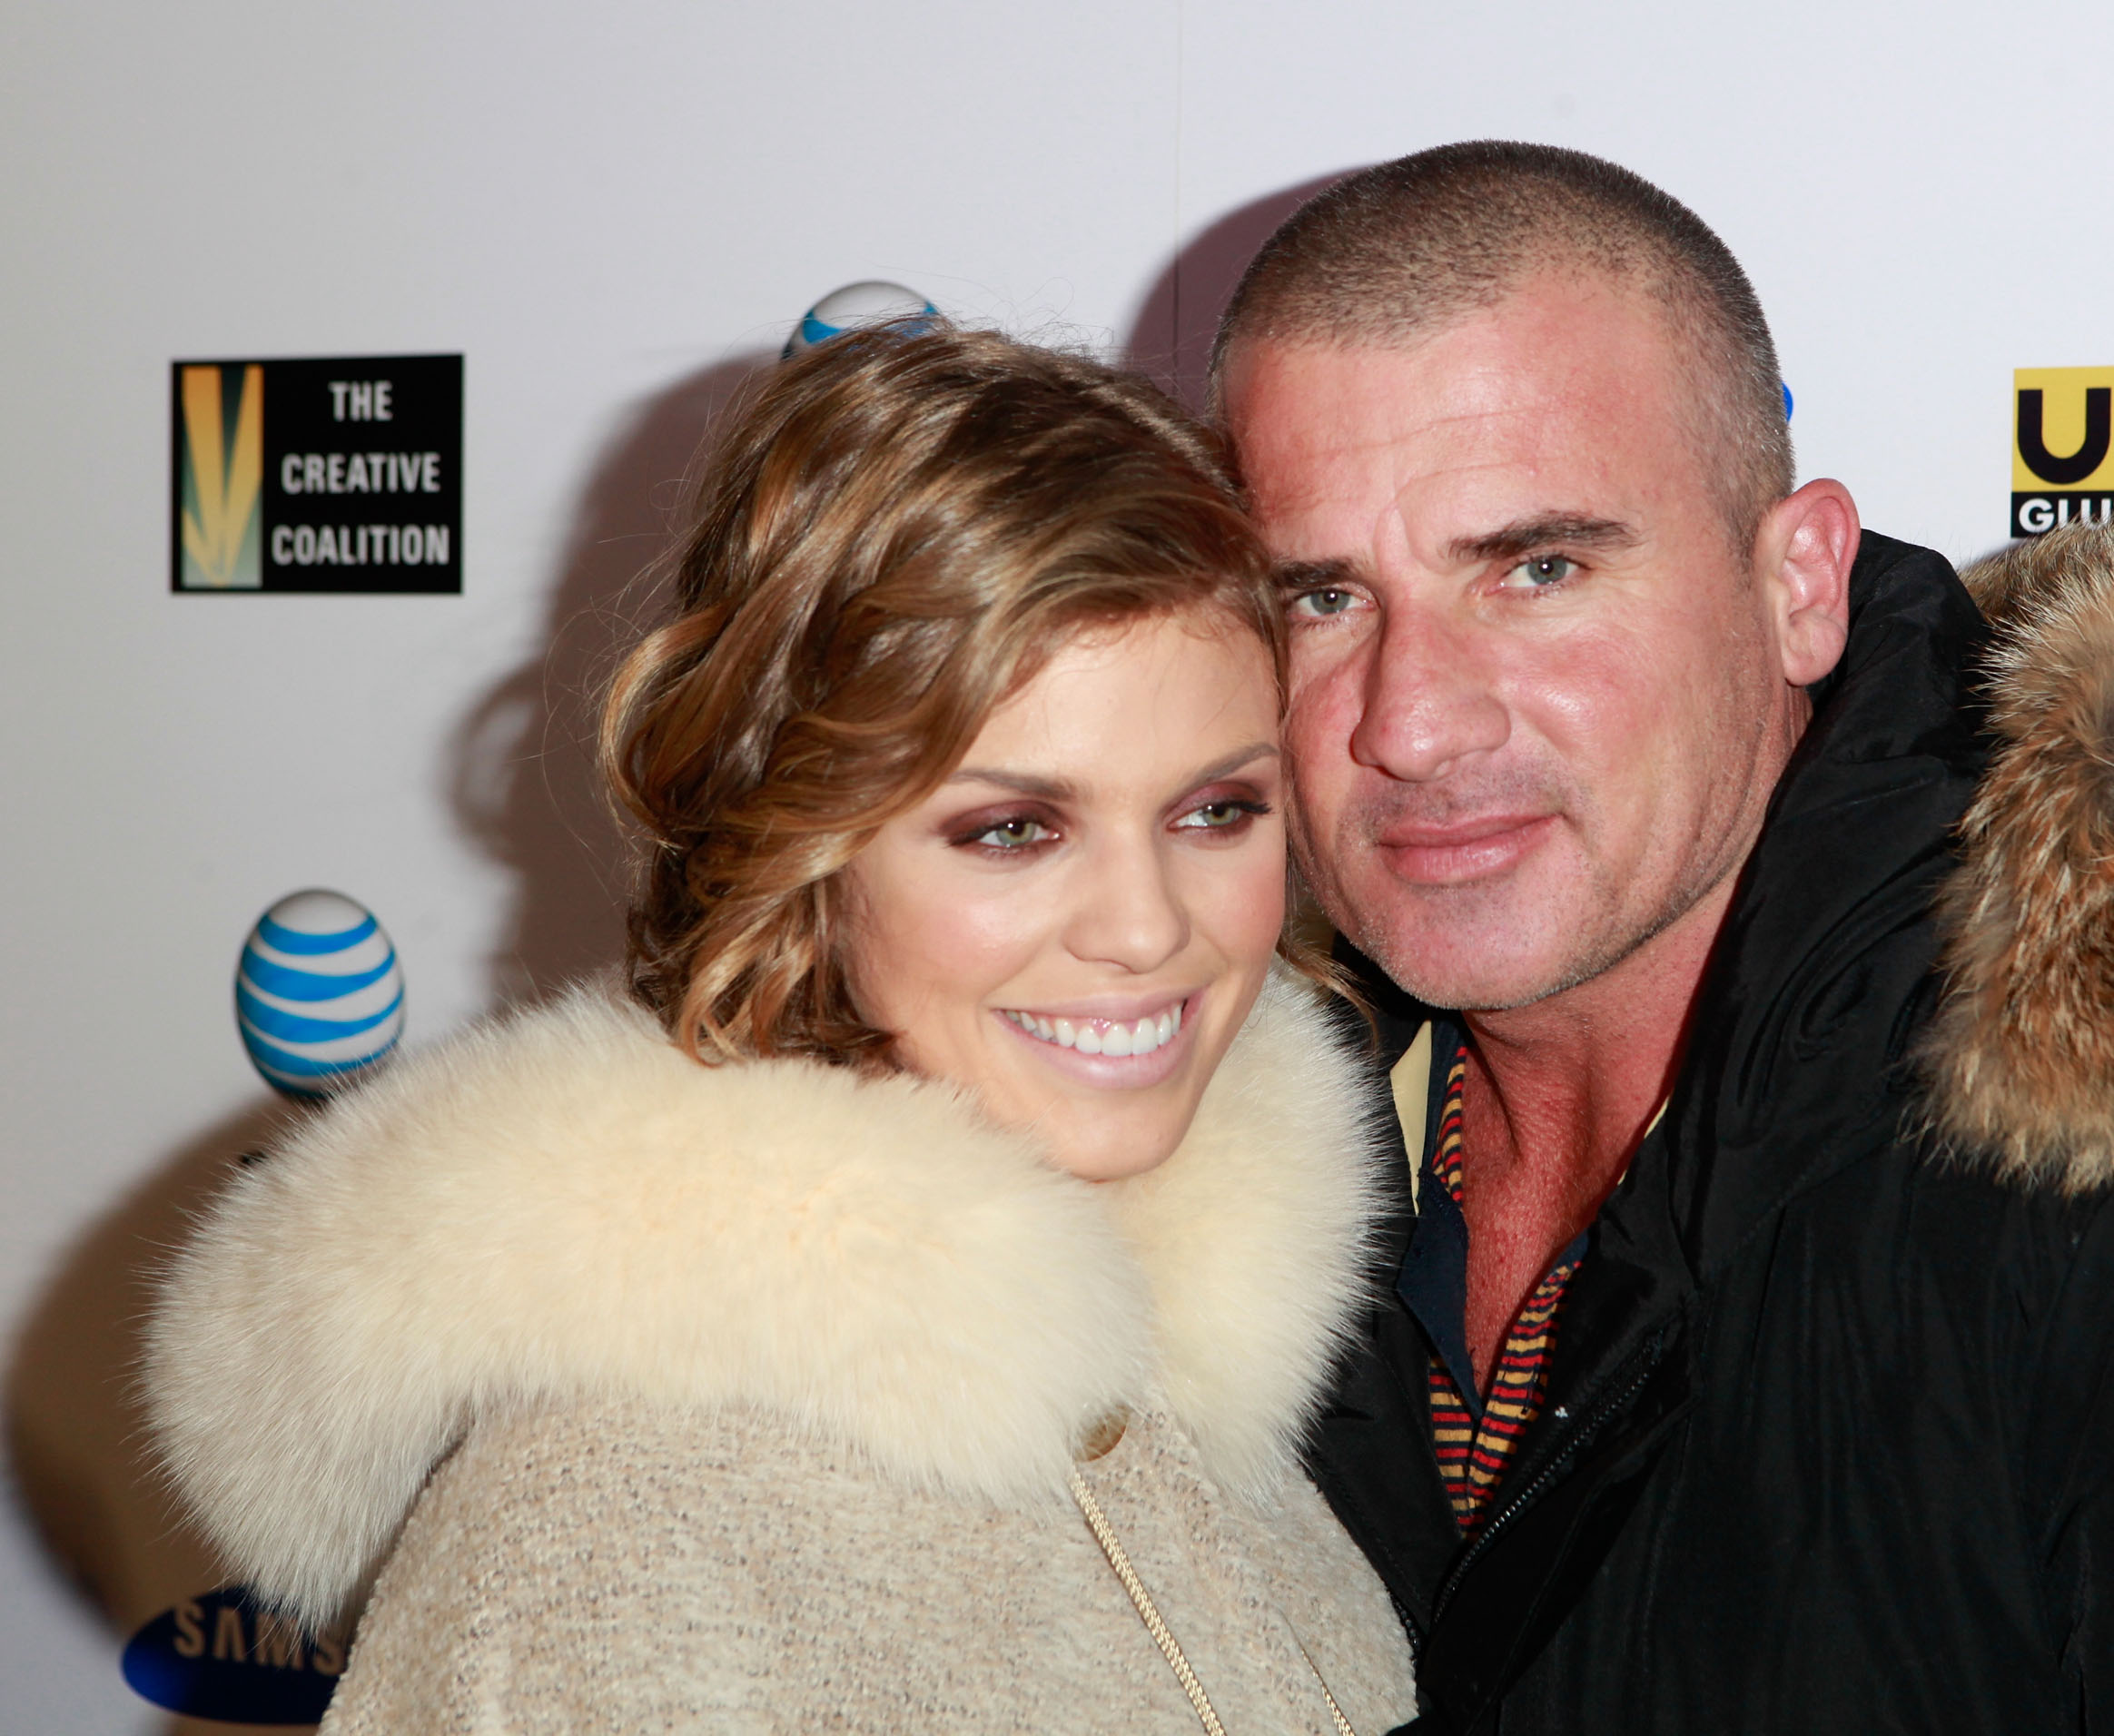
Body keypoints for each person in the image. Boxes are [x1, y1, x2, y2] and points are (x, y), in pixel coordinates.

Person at [1210, 141, 2114, 1733]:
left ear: (1802, 583)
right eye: (1320, 599)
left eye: (1539, 568)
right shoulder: (1187, 1182)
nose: (1411, 723)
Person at [144, 324, 1415, 1734]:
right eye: (1012, 829)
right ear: (806, 850)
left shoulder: (1217, 1391)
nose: (1146, 925)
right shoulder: (611, 1536)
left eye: (1216, 811)